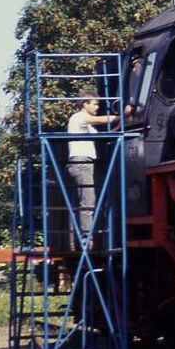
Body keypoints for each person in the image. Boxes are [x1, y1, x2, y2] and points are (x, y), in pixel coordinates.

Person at [66, 94, 119, 251]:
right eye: (95, 104)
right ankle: (85, 239)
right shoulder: (79, 118)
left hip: (83, 162)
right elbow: (102, 120)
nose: (97, 107)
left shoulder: (86, 126)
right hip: (81, 162)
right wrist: (122, 115)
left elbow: (104, 135)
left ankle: (75, 241)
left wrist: (120, 124)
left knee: (82, 202)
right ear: (85, 104)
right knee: (88, 201)